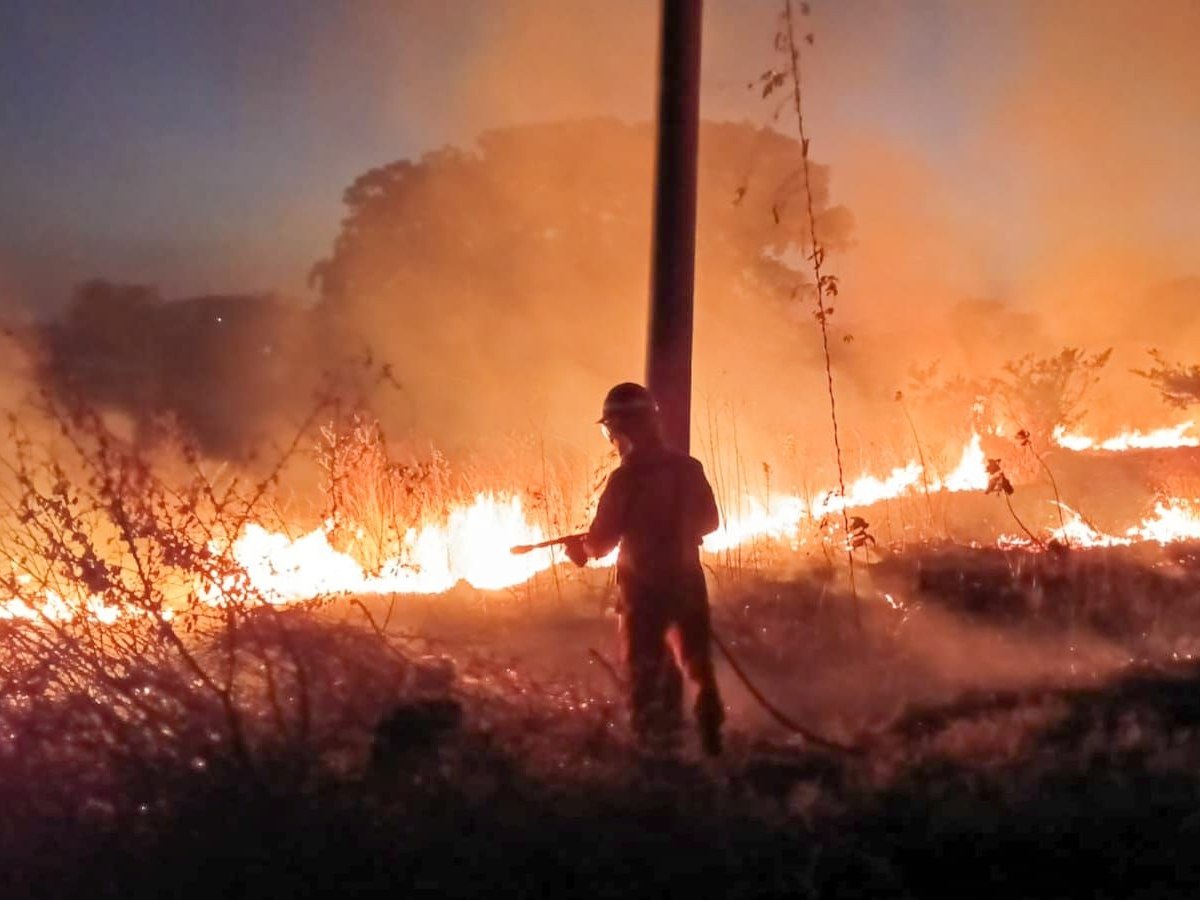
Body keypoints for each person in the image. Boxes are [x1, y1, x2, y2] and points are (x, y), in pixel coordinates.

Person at [564, 383, 725, 756]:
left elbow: (601, 543)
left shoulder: (625, 479)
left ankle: (652, 760)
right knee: (699, 670)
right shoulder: (688, 468)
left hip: (643, 594)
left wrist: (581, 549)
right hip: (688, 584)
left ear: (621, 429)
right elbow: (711, 522)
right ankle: (713, 752)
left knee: (644, 677)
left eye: (611, 430)